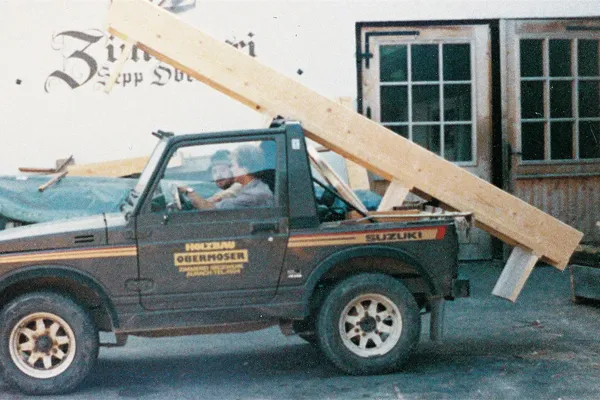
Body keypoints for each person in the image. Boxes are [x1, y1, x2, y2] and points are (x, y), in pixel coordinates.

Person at [179, 144, 273, 210]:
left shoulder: (254, 195)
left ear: (245, 168)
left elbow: (209, 209)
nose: (231, 169)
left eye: (232, 165)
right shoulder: (253, 188)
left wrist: (188, 191)